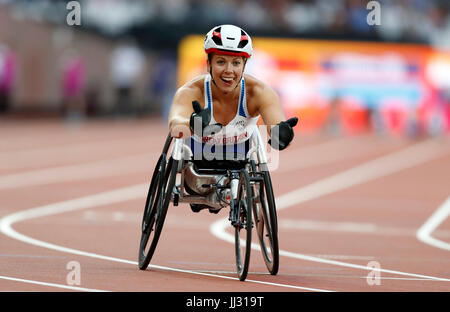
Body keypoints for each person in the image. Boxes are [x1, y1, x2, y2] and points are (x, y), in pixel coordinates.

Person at [168, 24, 298, 212]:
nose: (229, 70)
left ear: (244, 65)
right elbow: (175, 125)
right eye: (221, 62)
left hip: (239, 161)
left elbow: (275, 122)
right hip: (197, 165)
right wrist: (193, 124)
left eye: (236, 63)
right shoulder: (191, 91)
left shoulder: (259, 93)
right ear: (208, 64)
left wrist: (282, 134)